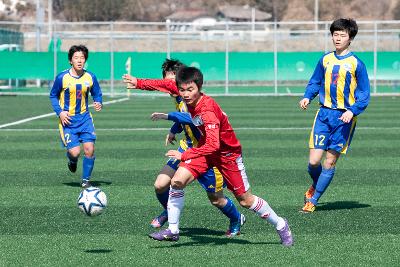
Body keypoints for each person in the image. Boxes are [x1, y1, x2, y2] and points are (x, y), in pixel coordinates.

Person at [149, 66, 293, 246]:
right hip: (205, 152)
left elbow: (213, 145)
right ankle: (173, 230)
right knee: (176, 182)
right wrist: (138, 83)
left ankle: (280, 224)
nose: (185, 94)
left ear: (199, 87)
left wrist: (185, 154)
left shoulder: (207, 109)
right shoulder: (191, 103)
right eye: (183, 90)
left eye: (190, 89)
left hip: (227, 155)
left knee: (246, 201)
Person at [122, 59, 245, 237]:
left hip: (205, 152)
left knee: (217, 200)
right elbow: (183, 118)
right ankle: (170, 214)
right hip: (185, 147)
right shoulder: (177, 95)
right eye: (167, 81)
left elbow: (191, 118)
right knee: (160, 184)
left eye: (172, 80)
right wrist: (174, 129)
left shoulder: (196, 99)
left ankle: (236, 218)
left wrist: (168, 117)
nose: (169, 85)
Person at [299, 18, 370, 213]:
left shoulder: (357, 64)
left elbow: (364, 95)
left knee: (329, 162)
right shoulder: (325, 60)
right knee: (313, 163)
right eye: (335, 34)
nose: (338, 38)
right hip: (323, 115)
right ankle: (316, 183)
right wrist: (307, 97)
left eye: (342, 35)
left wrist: (352, 111)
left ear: (350, 38)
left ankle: (313, 200)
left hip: (343, 119)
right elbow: (315, 82)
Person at [50, 45, 103, 188]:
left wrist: (98, 102)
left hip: (85, 119)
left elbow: (97, 92)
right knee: (75, 152)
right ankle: (72, 161)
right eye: (76, 58)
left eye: (82, 58)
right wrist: (60, 112)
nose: (79, 61)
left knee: (89, 149)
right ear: (70, 61)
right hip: (68, 121)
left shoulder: (90, 76)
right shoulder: (62, 77)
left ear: (85, 60)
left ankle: (86, 181)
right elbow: (53, 96)